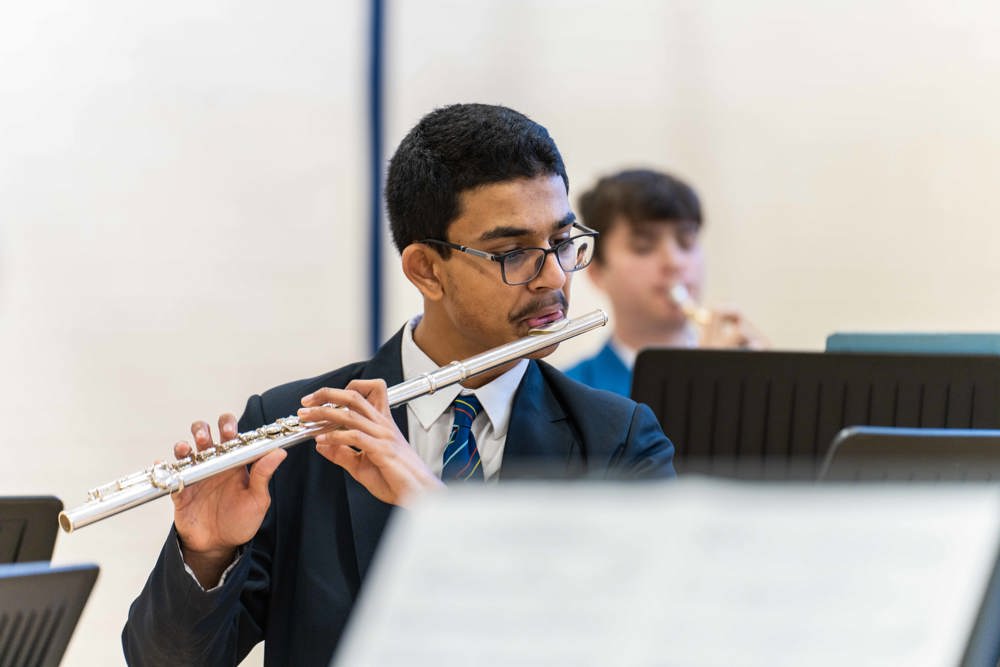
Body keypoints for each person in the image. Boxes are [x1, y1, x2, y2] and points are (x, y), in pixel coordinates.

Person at [122, 104, 676, 666]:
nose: (555, 276)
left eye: (561, 243)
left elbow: (637, 640)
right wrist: (207, 554)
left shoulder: (617, 441)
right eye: (514, 254)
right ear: (425, 270)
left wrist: (434, 507)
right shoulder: (297, 425)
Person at [565, 168, 766, 396]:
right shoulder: (568, 394)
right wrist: (708, 386)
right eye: (643, 247)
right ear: (596, 272)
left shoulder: (740, 368)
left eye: (686, 242)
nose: (674, 262)